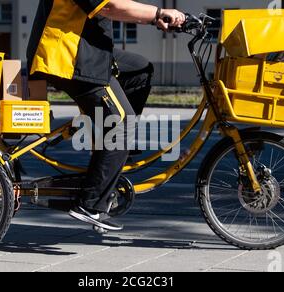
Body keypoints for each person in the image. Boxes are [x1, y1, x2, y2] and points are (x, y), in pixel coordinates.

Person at [27, 0, 186, 231]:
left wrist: (166, 18)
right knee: (121, 123)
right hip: (66, 56)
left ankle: (113, 153)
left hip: (87, 50)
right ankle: (90, 204)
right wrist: (158, 13)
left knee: (140, 70)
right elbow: (110, 6)